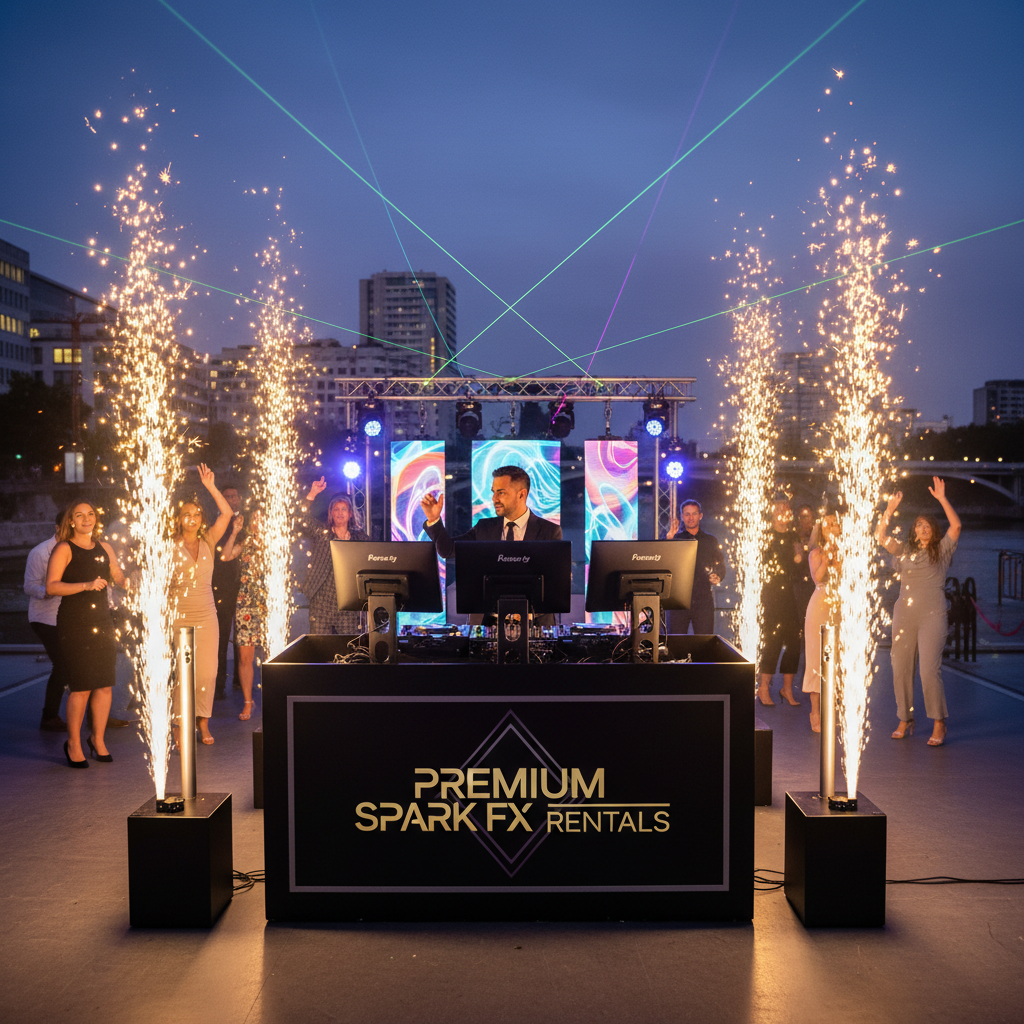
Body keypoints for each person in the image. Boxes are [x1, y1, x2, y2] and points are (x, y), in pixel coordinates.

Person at [875, 477, 961, 747]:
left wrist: (942, 498)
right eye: (919, 525)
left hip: (933, 615)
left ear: (933, 532)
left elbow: (956, 526)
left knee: (928, 670)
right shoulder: (904, 551)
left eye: (927, 525)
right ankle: (905, 717)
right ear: (913, 532)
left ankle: (939, 721)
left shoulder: (942, 550)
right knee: (900, 667)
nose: (923, 528)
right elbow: (880, 537)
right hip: (904, 614)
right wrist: (889, 510)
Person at [420, 465, 563, 626]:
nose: (494, 499)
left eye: (501, 492)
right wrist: (434, 519)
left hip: (534, 624)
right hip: (487, 624)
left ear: (521, 494)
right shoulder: (484, 528)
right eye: (493, 492)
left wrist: (524, 612)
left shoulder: (549, 531)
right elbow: (448, 550)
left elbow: (554, 586)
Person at [45, 502, 128, 768]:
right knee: (81, 686)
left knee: (104, 684)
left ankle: (97, 739)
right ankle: (73, 743)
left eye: (90, 514)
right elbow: (51, 586)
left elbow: (118, 577)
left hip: (102, 621)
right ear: (71, 521)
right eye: (79, 515)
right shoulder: (64, 548)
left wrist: (130, 580)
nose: (86, 519)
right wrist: (86, 585)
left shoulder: (105, 547)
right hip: (74, 624)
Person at [169, 464, 234, 746]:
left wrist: (211, 487)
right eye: (187, 514)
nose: (193, 519)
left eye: (197, 514)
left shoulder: (208, 540)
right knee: (185, 673)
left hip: (208, 615)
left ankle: (203, 722)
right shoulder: (168, 547)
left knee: (208, 672)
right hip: (180, 616)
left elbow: (227, 513)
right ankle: (179, 724)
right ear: (179, 519)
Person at [300, 479, 370, 634]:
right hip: (322, 599)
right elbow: (301, 518)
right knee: (320, 644)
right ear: (331, 513)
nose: (340, 513)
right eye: (336, 509)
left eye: (344, 509)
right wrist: (312, 494)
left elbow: (373, 558)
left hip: (348, 601)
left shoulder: (359, 538)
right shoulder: (322, 533)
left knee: (348, 645)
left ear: (350, 513)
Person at [758, 498, 804, 707]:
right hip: (771, 592)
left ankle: (787, 688)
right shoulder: (766, 534)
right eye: (779, 509)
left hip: (789, 593)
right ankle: (763, 686)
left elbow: (799, 558)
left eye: (786, 509)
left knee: (794, 640)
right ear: (773, 512)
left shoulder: (793, 535)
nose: (783, 513)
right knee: (773, 639)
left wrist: (799, 554)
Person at [219, 511, 265, 722]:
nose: (258, 522)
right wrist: (234, 532)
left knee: (275, 654)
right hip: (246, 604)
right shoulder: (245, 542)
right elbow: (225, 556)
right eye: (255, 518)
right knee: (245, 657)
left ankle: (275, 696)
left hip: (270, 603)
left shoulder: (277, 543)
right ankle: (248, 701)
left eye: (262, 518)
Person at [24, 512, 66, 732]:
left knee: (81, 663)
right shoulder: (40, 552)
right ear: (57, 527)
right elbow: (29, 585)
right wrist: (48, 591)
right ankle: (49, 717)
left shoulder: (77, 550)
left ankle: (95, 712)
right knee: (63, 664)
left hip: (69, 616)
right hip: (45, 617)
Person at [665, 499, 727, 635]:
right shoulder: (675, 539)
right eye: (687, 514)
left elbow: (720, 565)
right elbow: (663, 562)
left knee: (704, 641)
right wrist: (669, 539)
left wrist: (718, 575)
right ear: (682, 516)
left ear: (700, 515)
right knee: (676, 641)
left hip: (703, 599)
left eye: (694, 513)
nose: (691, 517)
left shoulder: (710, 541)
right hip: (678, 600)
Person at [803, 513, 840, 733]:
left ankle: (833, 708)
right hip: (820, 603)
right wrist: (827, 557)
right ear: (822, 531)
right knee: (817, 658)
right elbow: (818, 578)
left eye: (835, 524)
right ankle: (815, 711)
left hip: (841, 603)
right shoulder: (816, 553)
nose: (832, 528)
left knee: (838, 658)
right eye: (828, 525)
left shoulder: (848, 550)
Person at [211, 484, 244, 700]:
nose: (230, 500)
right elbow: (221, 556)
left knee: (243, 638)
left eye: (233, 496)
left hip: (245, 589)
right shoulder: (216, 525)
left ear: (239, 498)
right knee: (221, 637)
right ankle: (218, 685)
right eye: (226, 497)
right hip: (221, 587)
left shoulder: (247, 523)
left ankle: (241, 680)